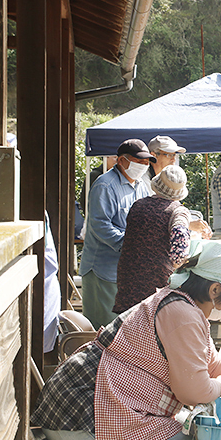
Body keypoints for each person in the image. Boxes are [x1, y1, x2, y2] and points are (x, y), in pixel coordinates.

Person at [31, 240, 221, 440]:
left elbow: (212, 364)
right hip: (84, 417)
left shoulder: (180, 304)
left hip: (76, 409)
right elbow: (195, 392)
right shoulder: (183, 313)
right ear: (215, 289)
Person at [113, 165, 212, 314]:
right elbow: (179, 253)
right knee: (153, 325)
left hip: (128, 276)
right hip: (156, 281)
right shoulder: (178, 212)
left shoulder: (138, 205)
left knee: (128, 322)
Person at [80, 139, 153, 329]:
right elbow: (99, 225)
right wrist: (129, 246)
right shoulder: (104, 185)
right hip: (103, 270)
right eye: (140, 162)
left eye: (146, 162)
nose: (144, 166)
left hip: (126, 270)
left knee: (120, 329)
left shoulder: (141, 186)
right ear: (121, 160)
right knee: (101, 329)